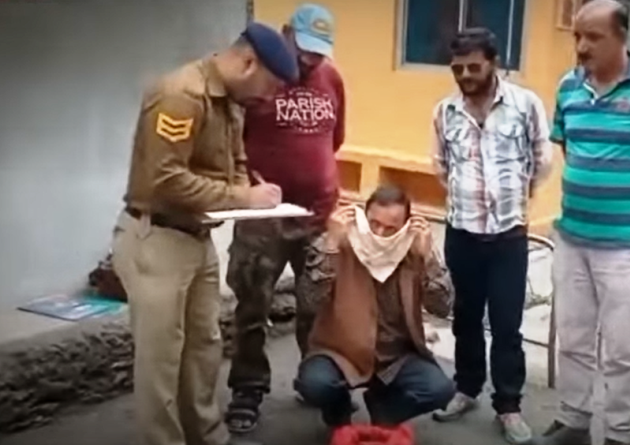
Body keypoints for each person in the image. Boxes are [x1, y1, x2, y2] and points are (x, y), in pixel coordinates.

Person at [110, 23, 298, 445]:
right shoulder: (182, 94)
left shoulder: (231, 100)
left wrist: (255, 193)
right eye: (270, 86)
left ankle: (208, 435)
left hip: (198, 237)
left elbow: (233, 163)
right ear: (248, 63)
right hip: (157, 237)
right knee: (162, 359)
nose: (269, 98)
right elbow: (165, 179)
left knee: (204, 348)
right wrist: (242, 197)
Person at [533, 1, 630, 445]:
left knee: (620, 349)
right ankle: (574, 421)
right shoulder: (569, 87)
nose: (582, 46)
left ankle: (620, 432)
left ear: (621, 37)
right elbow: (570, 148)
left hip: (625, 245)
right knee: (573, 339)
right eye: (577, 36)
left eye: (593, 37)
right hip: (572, 238)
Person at [224, 3, 347, 434]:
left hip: (317, 214)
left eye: (319, 51)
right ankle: (248, 389)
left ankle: (316, 383)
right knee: (252, 308)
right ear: (286, 34)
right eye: (304, 48)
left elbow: (336, 137)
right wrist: (248, 185)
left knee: (320, 308)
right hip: (264, 219)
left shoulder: (331, 78)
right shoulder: (260, 77)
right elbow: (232, 140)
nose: (310, 59)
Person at [429, 27, 553, 444]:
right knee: (464, 318)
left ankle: (509, 406)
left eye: (473, 67)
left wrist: (514, 197)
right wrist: (468, 199)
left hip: (507, 237)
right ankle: (466, 389)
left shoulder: (525, 105)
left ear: (494, 63)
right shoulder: (444, 112)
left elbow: (542, 161)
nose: (465, 75)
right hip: (462, 233)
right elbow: (440, 166)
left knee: (506, 324)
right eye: (457, 68)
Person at [294, 185, 456, 434]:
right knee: (315, 384)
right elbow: (308, 302)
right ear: (364, 216)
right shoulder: (339, 242)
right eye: (374, 224)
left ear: (405, 226)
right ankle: (338, 411)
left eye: (390, 228)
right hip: (341, 352)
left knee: (439, 389)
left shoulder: (414, 250)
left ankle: (384, 412)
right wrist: (330, 246)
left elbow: (443, 307)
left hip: (397, 355)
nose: (380, 233)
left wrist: (428, 260)